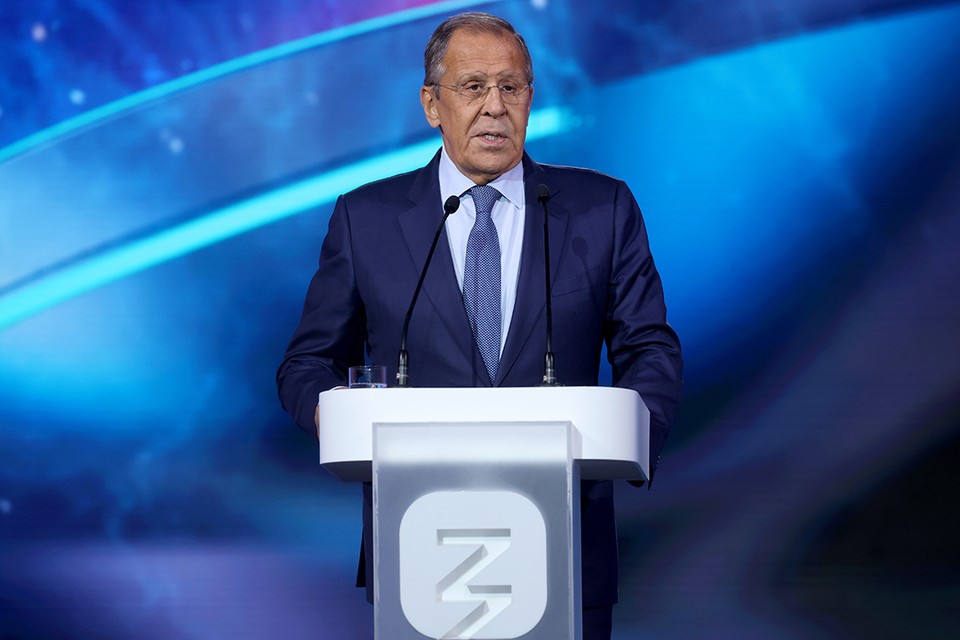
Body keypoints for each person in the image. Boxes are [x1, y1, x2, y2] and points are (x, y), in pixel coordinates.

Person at [277, 11, 683, 639]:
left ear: (529, 99)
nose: (495, 106)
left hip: (567, 548)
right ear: (431, 104)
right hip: (419, 553)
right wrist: (337, 419)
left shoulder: (600, 210)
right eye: (473, 87)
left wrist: (630, 439)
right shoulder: (367, 219)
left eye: (511, 87)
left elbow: (649, 348)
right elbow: (307, 365)